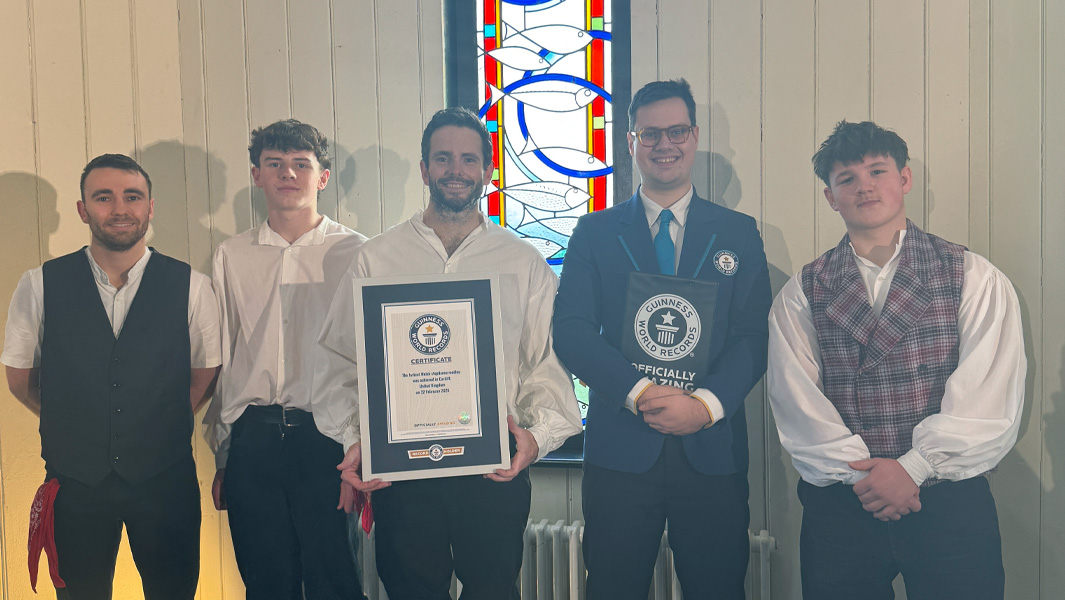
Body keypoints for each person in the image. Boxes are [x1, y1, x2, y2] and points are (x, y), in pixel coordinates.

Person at [319, 107, 583, 600]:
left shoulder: (521, 261)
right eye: (443, 158)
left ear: (487, 170)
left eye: (468, 159)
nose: (455, 170)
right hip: (402, 470)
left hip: (491, 466)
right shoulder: (376, 258)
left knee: (492, 590)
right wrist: (357, 438)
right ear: (424, 170)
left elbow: (545, 362)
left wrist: (538, 438)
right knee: (412, 593)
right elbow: (340, 363)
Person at [766, 120, 1026, 599]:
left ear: (904, 179)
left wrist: (913, 467)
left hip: (948, 500)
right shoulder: (802, 292)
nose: (864, 186)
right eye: (847, 179)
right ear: (830, 197)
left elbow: (989, 395)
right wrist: (868, 475)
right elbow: (796, 403)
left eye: (877, 171)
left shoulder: (972, 275)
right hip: (844, 504)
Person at [552, 79, 772, 599]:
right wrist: (644, 395)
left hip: (711, 449)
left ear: (694, 137)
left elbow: (753, 336)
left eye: (676, 131)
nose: (664, 144)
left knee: (718, 589)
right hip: (620, 451)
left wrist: (706, 405)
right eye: (650, 134)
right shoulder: (594, 232)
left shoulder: (738, 233)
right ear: (630, 142)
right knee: (613, 588)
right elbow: (573, 332)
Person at [2, 154, 221, 599]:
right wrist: (83, 421)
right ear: (83, 209)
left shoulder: (191, 285)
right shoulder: (40, 283)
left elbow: (205, 373)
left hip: (165, 481)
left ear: (150, 207)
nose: (119, 208)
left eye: (132, 197)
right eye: (103, 197)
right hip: (75, 484)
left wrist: (149, 424)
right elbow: (20, 375)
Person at [202, 119, 367, 599]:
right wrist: (225, 455)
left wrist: (362, 447)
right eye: (274, 164)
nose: (287, 174)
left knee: (333, 575)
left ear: (323, 177)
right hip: (254, 433)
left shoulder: (356, 252)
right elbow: (228, 357)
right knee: (264, 578)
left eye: (301, 164)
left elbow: (367, 359)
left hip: (328, 435)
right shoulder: (232, 255)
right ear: (257, 175)